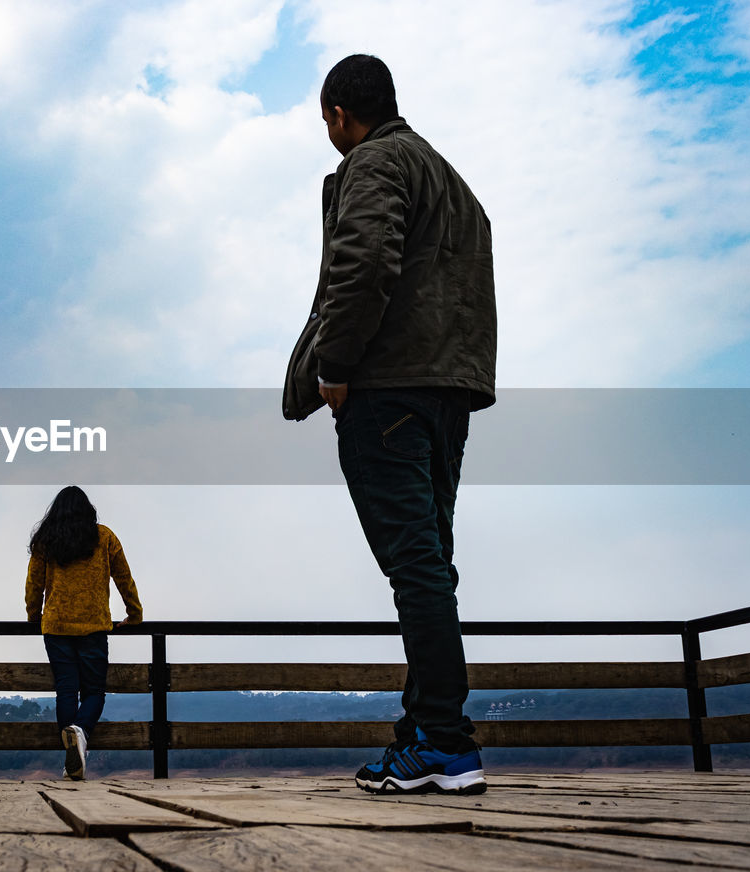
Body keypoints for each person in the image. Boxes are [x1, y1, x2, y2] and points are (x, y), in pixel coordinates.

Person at [283, 54, 497, 795]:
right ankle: (423, 732)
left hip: (388, 393)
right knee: (430, 561)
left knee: (414, 565)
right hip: (447, 392)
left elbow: (363, 262)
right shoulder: (450, 179)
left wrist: (334, 368)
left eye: (327, 122)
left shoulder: (375, 164)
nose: (330, 134)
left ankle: (444, 740)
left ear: (340, 114)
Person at [25, 485, 143, 781]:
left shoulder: (46, 541)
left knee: (66, 688)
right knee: (94, 692)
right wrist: (134, 613)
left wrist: (32, 616)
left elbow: (33, 584)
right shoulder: (103, 536)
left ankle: (70, 758)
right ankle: (80, 733)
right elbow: (123, 577)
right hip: (93, 625)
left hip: (56, 625)